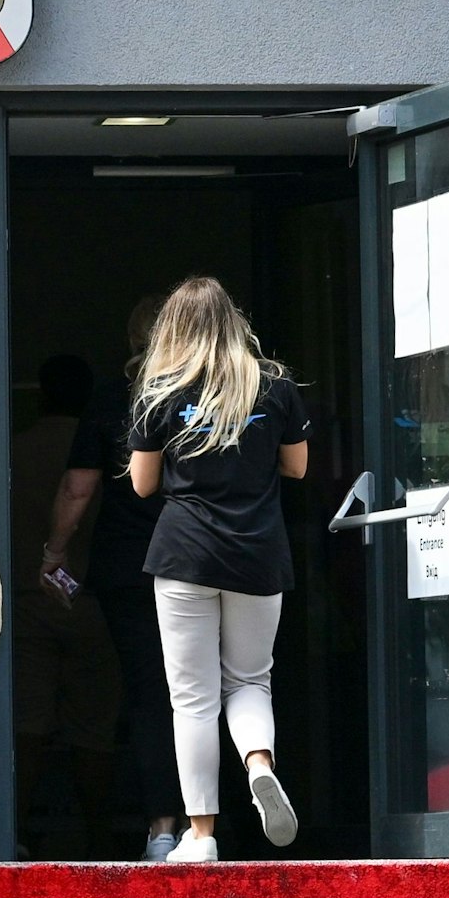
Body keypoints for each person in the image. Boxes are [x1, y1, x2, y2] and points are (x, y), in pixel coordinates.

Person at [126, 277, 308, 864]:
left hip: (184, 555)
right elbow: (299, 468)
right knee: (251, 680)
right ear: (235, 323)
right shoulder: (275, 386)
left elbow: (143, 483)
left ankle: (200, 834)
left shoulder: (159, 391)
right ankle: (258, 763)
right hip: (257, 552)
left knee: (193, 698)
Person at [44, 297, 188, 861]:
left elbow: (79, 488)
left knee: (152, 694)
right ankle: (211, 826)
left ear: (134, 339)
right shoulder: (218, 395)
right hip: (210, 562)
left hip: (131, 566)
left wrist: (53, 552)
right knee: (212, 692)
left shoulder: (115, 399)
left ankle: (160, 829)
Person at [10, 354, 121, 858]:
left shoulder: (16, 449)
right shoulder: (104, 447)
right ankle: (98, 835)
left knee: (28, 722)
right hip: (93, 601)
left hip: (30, 601)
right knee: (94, 726)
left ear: (43, 394)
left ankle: (17, 825)